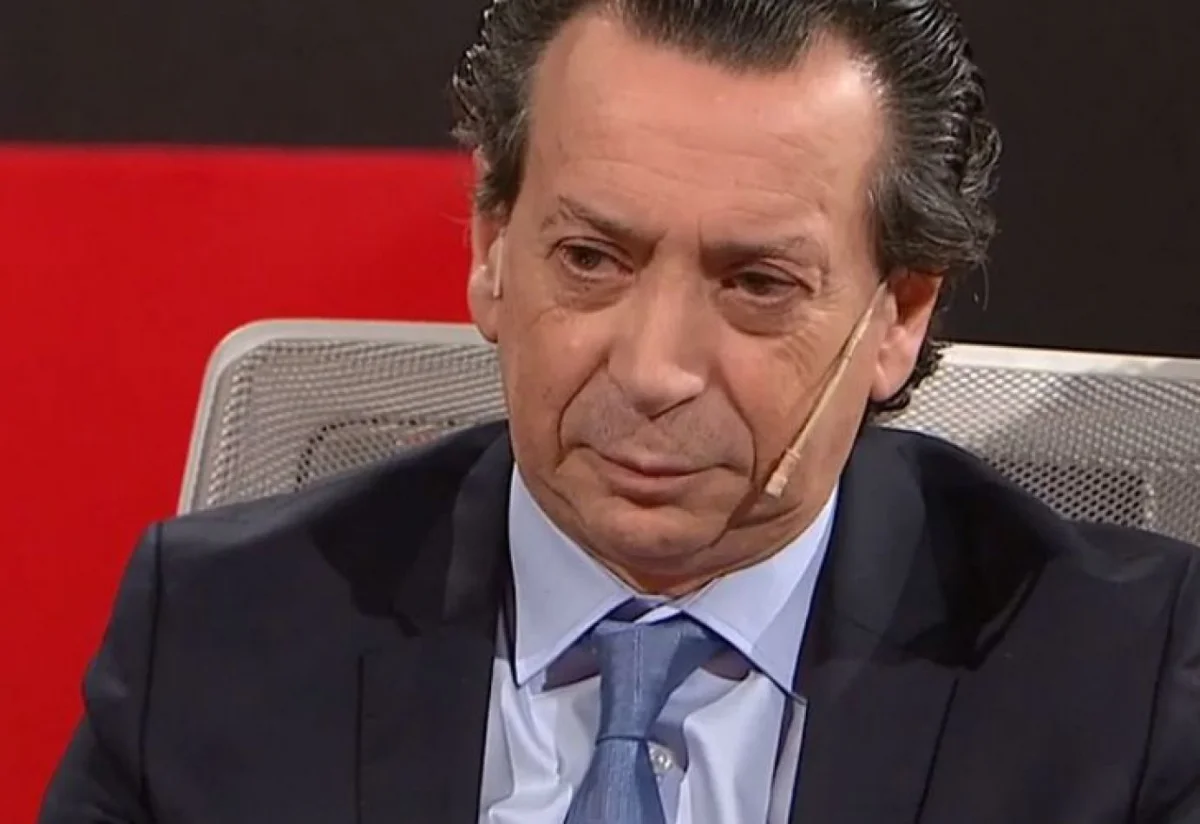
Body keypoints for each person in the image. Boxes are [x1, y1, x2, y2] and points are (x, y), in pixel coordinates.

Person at [40, 0, 1200, 821]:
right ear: (494, 250)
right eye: (593, 258)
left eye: (757, 283)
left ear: (897, 313)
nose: (652, 370)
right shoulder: (221, 631)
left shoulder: (1117, 684)